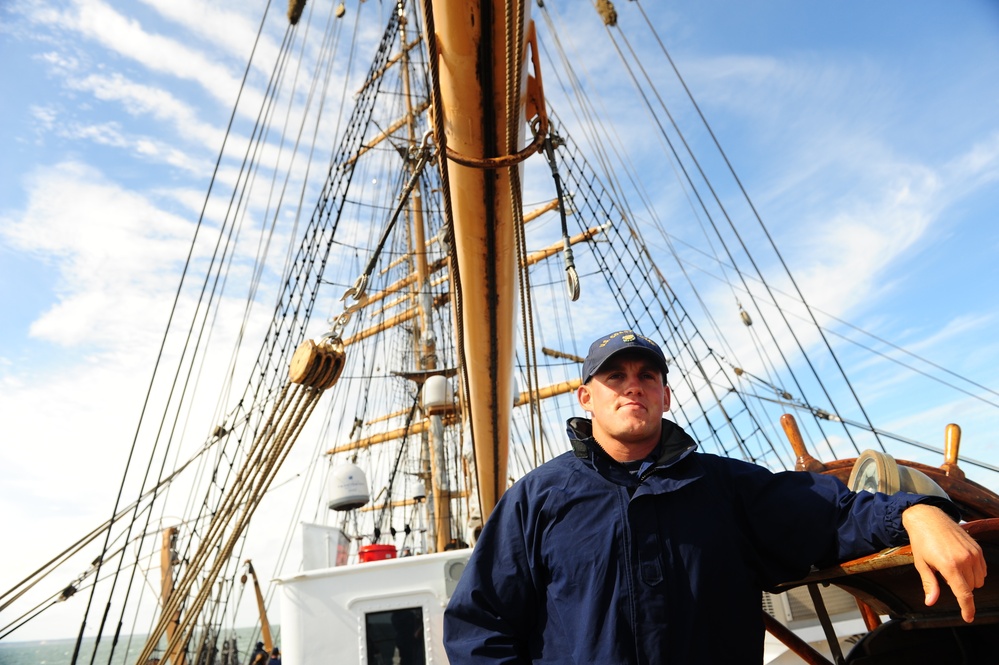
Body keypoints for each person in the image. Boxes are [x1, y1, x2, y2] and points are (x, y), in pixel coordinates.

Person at [443, 330, 987, 663]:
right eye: (615, 376)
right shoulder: (536, 499)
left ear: (665, 395)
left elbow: (834, 513)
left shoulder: (727, 486)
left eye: (647, 375)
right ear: (586, 397)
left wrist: (919, 514)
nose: (633, 385)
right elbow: (479, 625)